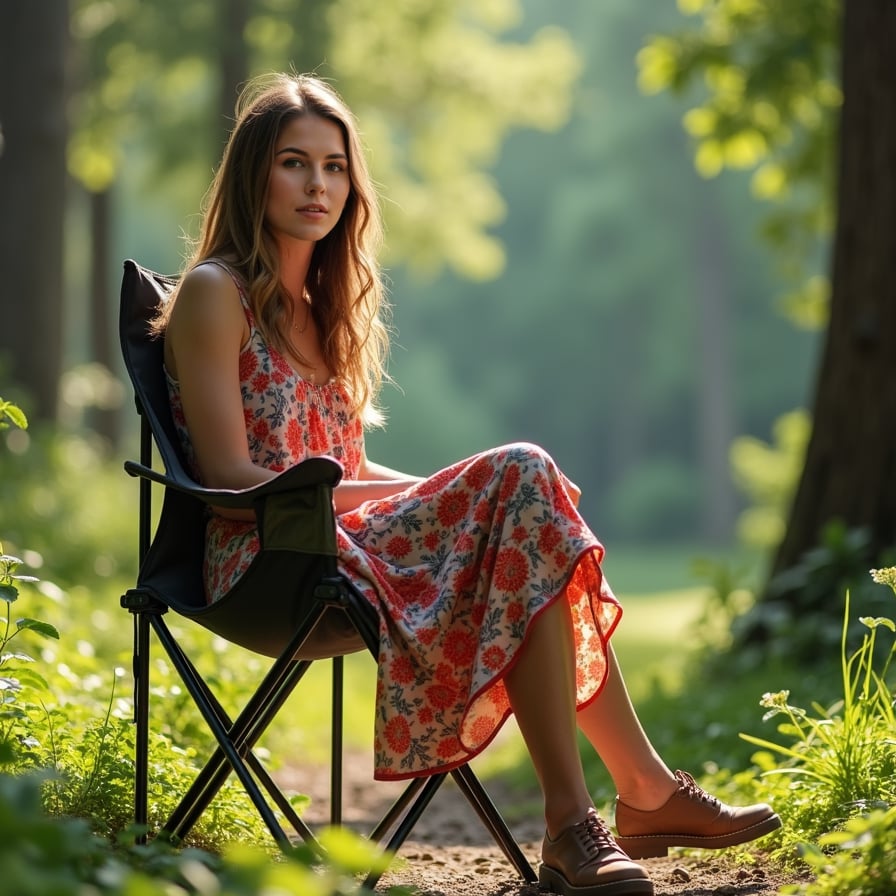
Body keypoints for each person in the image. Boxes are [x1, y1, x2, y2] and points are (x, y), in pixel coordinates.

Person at [156, 72, 781, 896]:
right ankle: (618, 805)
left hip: (342, 544)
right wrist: (475, 495)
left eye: (336, 167)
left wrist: (470, 495)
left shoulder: (323, 305)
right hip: (266, 554)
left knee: (524, 508)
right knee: (519, 489)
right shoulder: (214, 294)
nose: (318, 185)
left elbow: (354, 469)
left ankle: (606, 810)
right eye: (294, 164)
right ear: (252, 176)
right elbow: (234, 477)